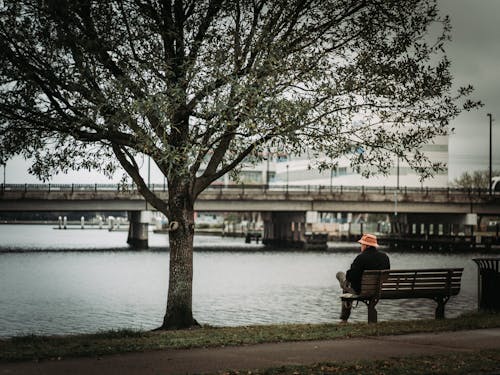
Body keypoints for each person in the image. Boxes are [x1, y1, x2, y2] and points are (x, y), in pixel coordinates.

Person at [336, 233, 390, 322]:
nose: (361, 246)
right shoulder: (384, 257)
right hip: (379, 289)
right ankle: (344, 318)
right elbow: (386, 276)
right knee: (347, 284)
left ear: (366, 245)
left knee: (340, 276)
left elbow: (350, 277)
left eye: (361, 244)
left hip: (361, 291)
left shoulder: (361, 257)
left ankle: (344, 319)